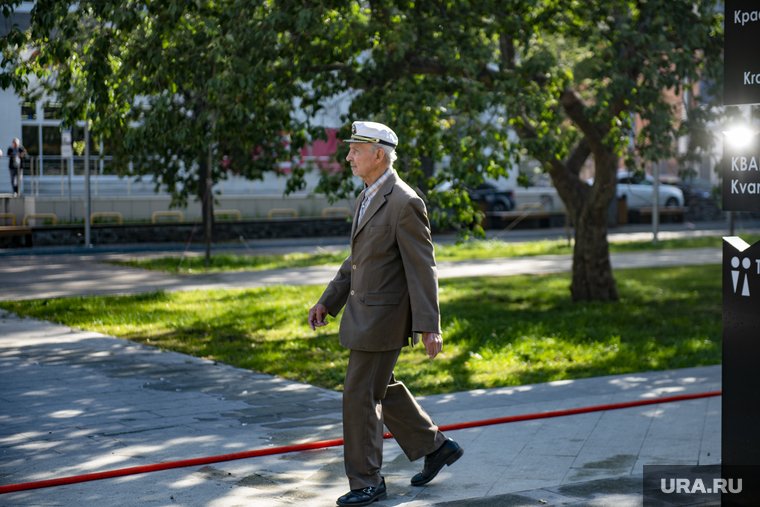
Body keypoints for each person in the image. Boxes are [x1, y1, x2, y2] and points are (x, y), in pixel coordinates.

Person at [308, 121, 463, 507]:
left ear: (378, 154)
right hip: (364, 314)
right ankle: (436, 447)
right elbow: (357, 261)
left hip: (383, 319)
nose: (348, 157)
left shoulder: (405, 202)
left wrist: (430, 326)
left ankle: (367, 481)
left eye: (355, 150)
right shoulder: (367, 196)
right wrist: (329, 299)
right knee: (382, 388)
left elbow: (422, 269)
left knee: (359, 394)